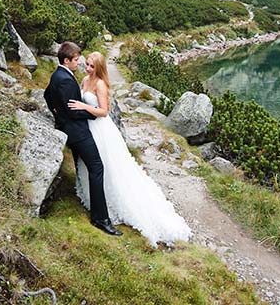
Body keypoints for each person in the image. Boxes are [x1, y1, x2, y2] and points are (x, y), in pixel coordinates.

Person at [68, 51, 191, 246]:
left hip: (101, 128)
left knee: (108, 165)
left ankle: (112, 204)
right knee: (92, 164)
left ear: (98, 68)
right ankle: (97, 201)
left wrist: (83, 108)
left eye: (91, 65)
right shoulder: (84, 80)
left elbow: (103, 111)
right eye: (87, 64)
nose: (87, 67)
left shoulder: (100, 84)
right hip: (87, 127)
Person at [44, 42, 122, 236]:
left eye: (83, 61)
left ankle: (87, 199)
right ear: (66, 60)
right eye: (77, 60)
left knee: (85, 166)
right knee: (97, 167)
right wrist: (91, 114)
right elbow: (73, 110)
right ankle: (100, 219)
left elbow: (47, 95)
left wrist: (56, 112)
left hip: (75, 129)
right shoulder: (67, 80)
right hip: (78, 132)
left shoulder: (57, 75)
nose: (79, 64)